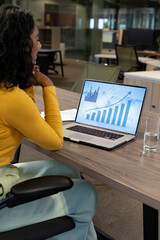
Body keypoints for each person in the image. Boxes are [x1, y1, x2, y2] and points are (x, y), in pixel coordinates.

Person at [0, 5, 97, 240]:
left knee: (69, 171)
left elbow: (27, 111)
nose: (40, 45)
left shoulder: (7, 87)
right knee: (87, 193)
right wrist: (48, 86)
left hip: (5, 171)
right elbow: (54, 141)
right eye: (36, 39)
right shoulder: (11, 98)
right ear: (24, 47)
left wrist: (26, 83)